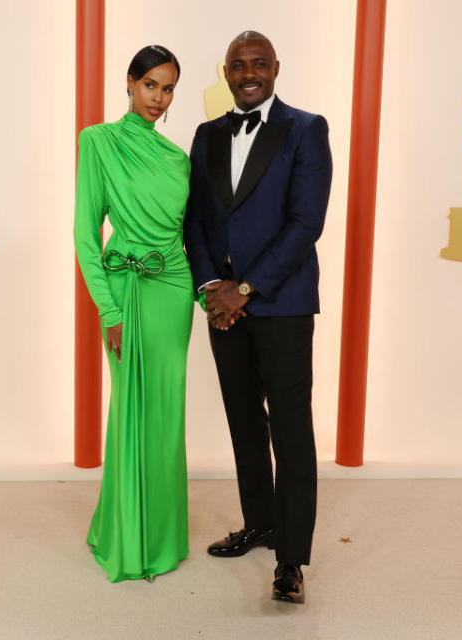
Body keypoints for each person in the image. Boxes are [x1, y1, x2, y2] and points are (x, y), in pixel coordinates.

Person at [183, 30, 333, 604]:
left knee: (292, 431)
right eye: (239, 65)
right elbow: (193, 219)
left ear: (276, 68)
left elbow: (306, 222)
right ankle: (260, 522)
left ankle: (291, 559)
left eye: (259, 64)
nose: (249, 73)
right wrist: (209, 289)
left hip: (282, 303)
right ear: (226, 72)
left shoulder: (306, 128)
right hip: (223, 307)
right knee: (245, 422)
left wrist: (244, 288)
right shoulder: (206, 134)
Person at [74, 45, 193, 583]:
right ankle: (125, 533)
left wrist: (212, 296)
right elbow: (84, 233)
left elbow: (189, 236)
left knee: (166, 416)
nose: (158, 98)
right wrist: (110, 308)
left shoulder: (179, 159)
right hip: (123, 290)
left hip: (172, 290)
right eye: (150, 85)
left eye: (167, 89)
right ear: (129, 82)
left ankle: (162, 538)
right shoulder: (97, 142)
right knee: (127, 411)